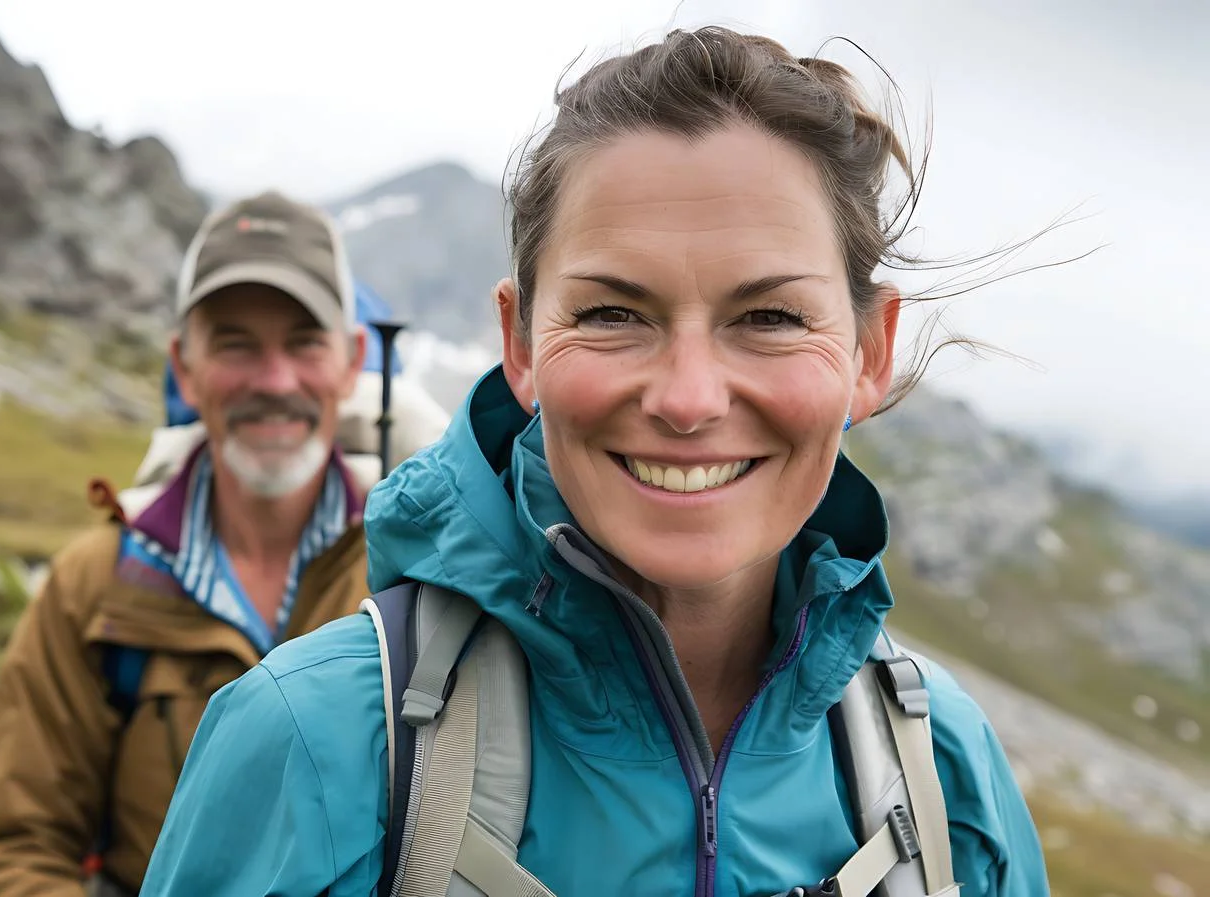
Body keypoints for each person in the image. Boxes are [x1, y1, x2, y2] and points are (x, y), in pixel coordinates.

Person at [139, 25, 1049, 897]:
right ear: (519, 343)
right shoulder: (309, 738)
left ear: (869, 353)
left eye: (770, 318)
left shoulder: (949, 773)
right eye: (613, 314)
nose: (688, 398)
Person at [0, 191, 378, 897]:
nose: (274, 379)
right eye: (236, 342)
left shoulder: (417, 574)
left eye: (304, 341)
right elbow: (5, 852)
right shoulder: (94, 586)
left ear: (352, 360)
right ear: (184, 367)